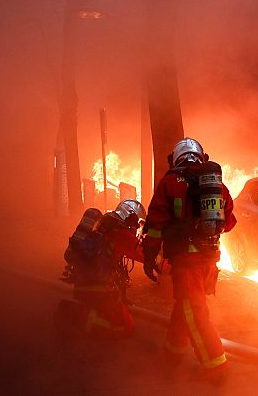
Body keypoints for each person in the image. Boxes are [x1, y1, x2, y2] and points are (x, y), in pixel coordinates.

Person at [140, 137, 237, 378]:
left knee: (195, 312)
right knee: (186, 306)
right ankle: (172, 353)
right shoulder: (216, 185)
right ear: (201, 157)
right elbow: (230, 222)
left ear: (176, 158)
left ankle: (217, 368)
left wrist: (149, 255)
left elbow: (155, 224)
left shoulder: (170, 182)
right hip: (209, 261)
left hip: (186, 263)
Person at [55, 199, 146, 339]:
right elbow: (147, 256)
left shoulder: (102, 226)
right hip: (100, 289)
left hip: (84, 284)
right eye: (138, 224)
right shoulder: (122, 234)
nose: (137, 229)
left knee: (122, 316)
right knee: (124, 328)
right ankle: (75, 314)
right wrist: (175, 261)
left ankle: (85, 315)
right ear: (132, 218)